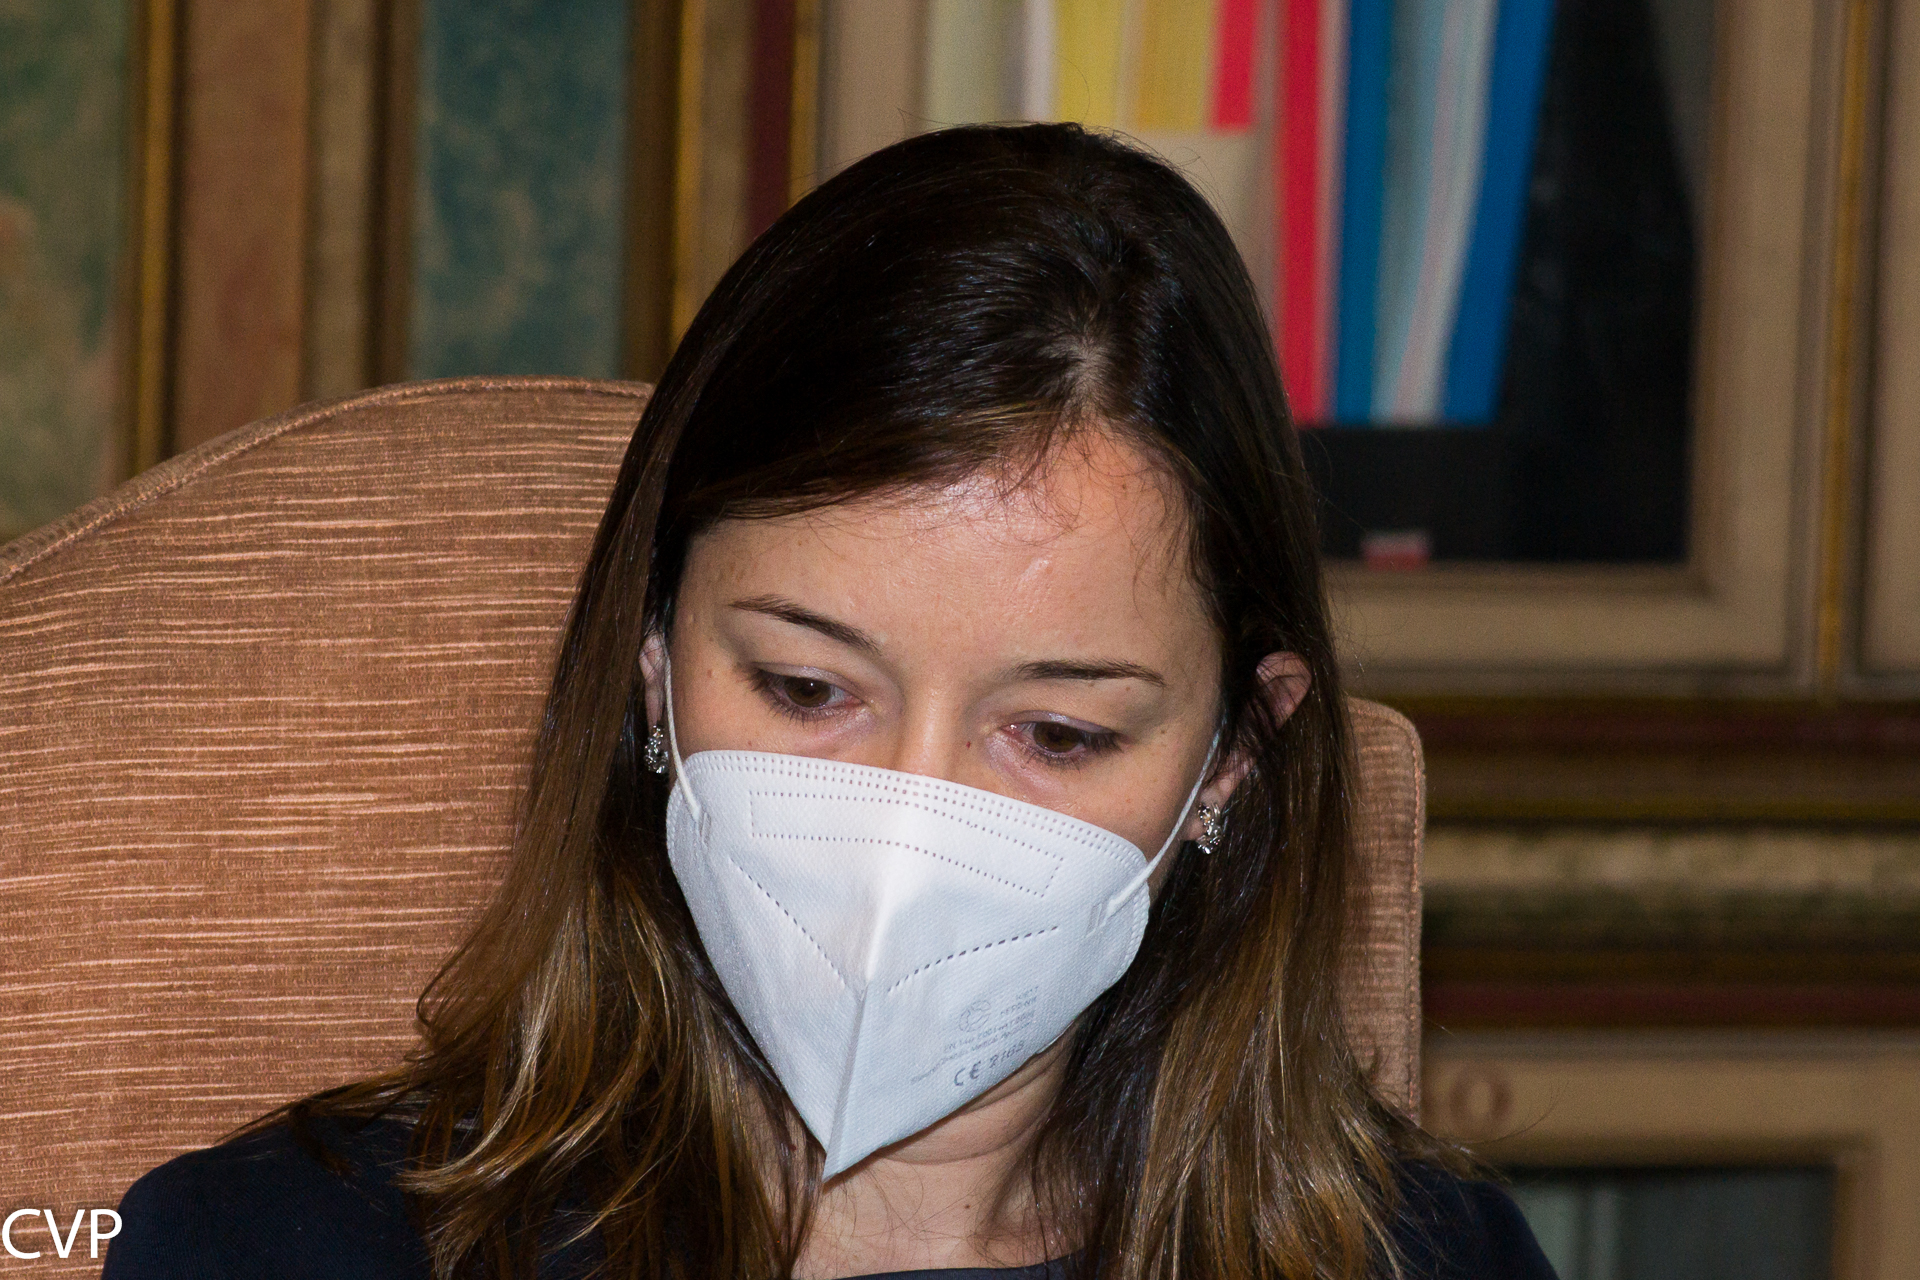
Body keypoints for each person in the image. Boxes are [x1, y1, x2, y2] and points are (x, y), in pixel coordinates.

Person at [105, 123, 1556, 1280]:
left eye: (1057, 735)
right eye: (808, 688)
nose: (906, 826)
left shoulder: (1429, 1258)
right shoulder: (283, 1246)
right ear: (653, 660)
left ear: (1231, 759)